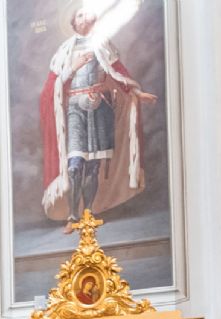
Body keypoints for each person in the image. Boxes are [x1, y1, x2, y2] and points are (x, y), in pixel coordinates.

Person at [40, 4, 157, 232]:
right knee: (75, 165)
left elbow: (119, 75)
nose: (86, 17)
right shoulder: (64, 51)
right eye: (80, 14)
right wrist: (72, 68)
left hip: (100, 108)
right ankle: (73, 216)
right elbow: (51, 88)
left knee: (93, 165)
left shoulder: (103, 45)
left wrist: (136, 93)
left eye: (88, 13)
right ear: (73, 23)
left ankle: (88, 212)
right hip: (75, 109)